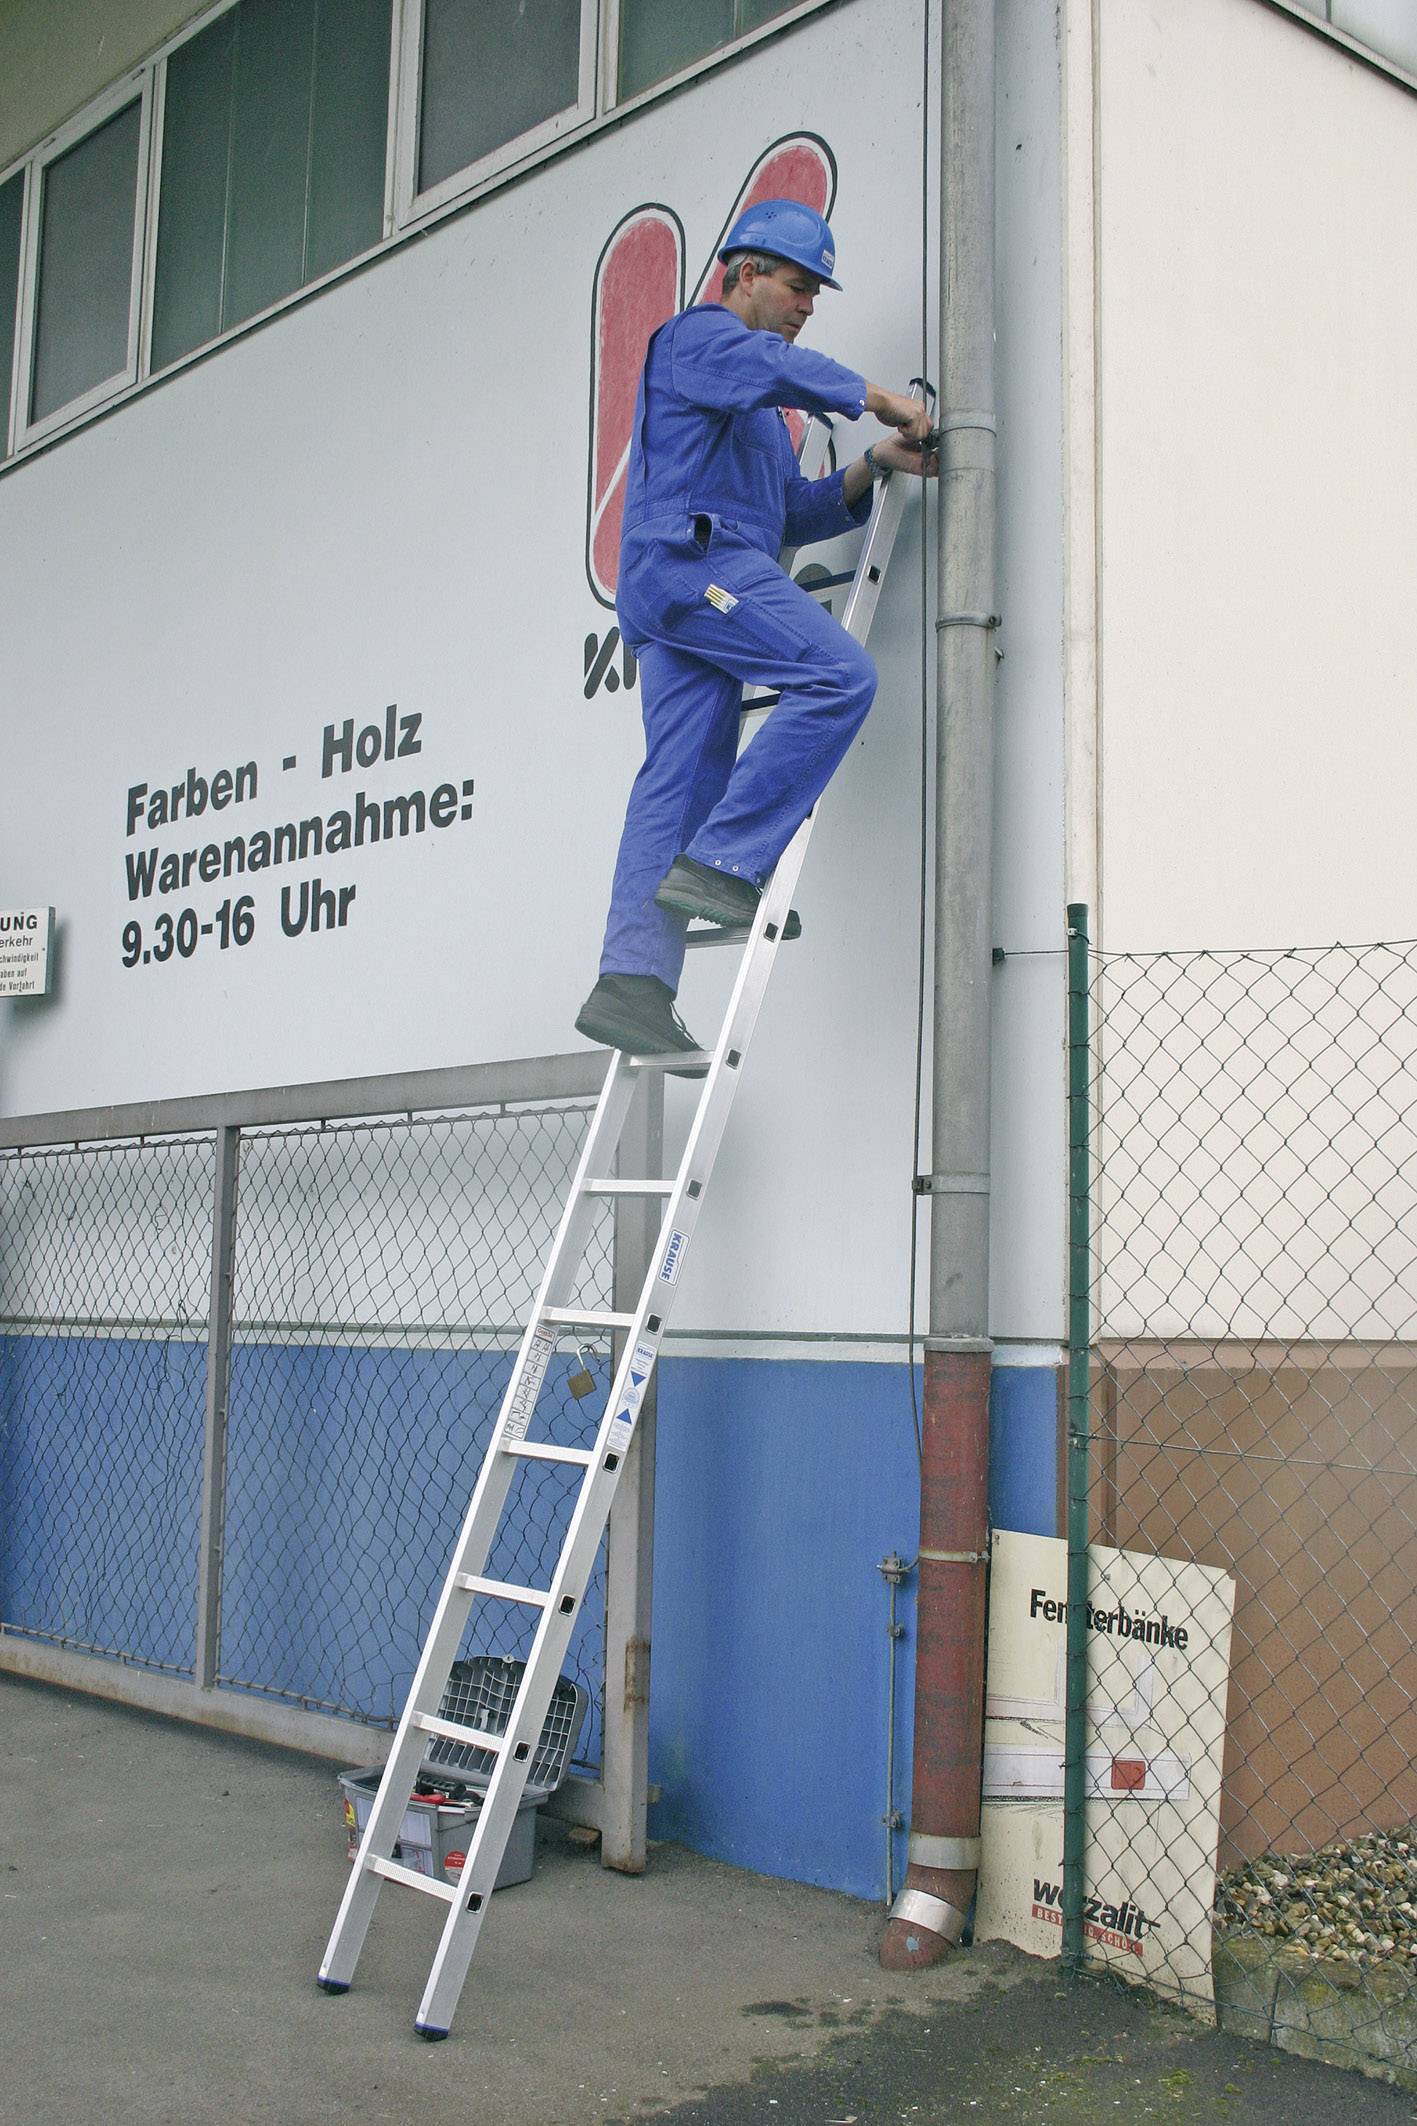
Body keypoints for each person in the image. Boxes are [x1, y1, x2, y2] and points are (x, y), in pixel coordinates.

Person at [575, 199, 937, 1068]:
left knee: (679, 776)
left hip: (684, 591)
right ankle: (726, 865)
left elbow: (788, 513)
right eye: (798, 285)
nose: (808, 303)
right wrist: (879, 400)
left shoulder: (757, 422)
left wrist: (870, 464)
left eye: (814, 292)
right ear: (744, 275)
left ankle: (629, 985)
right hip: (688, 563)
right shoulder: (693, 339)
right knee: (839, 677)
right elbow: (772, 362)